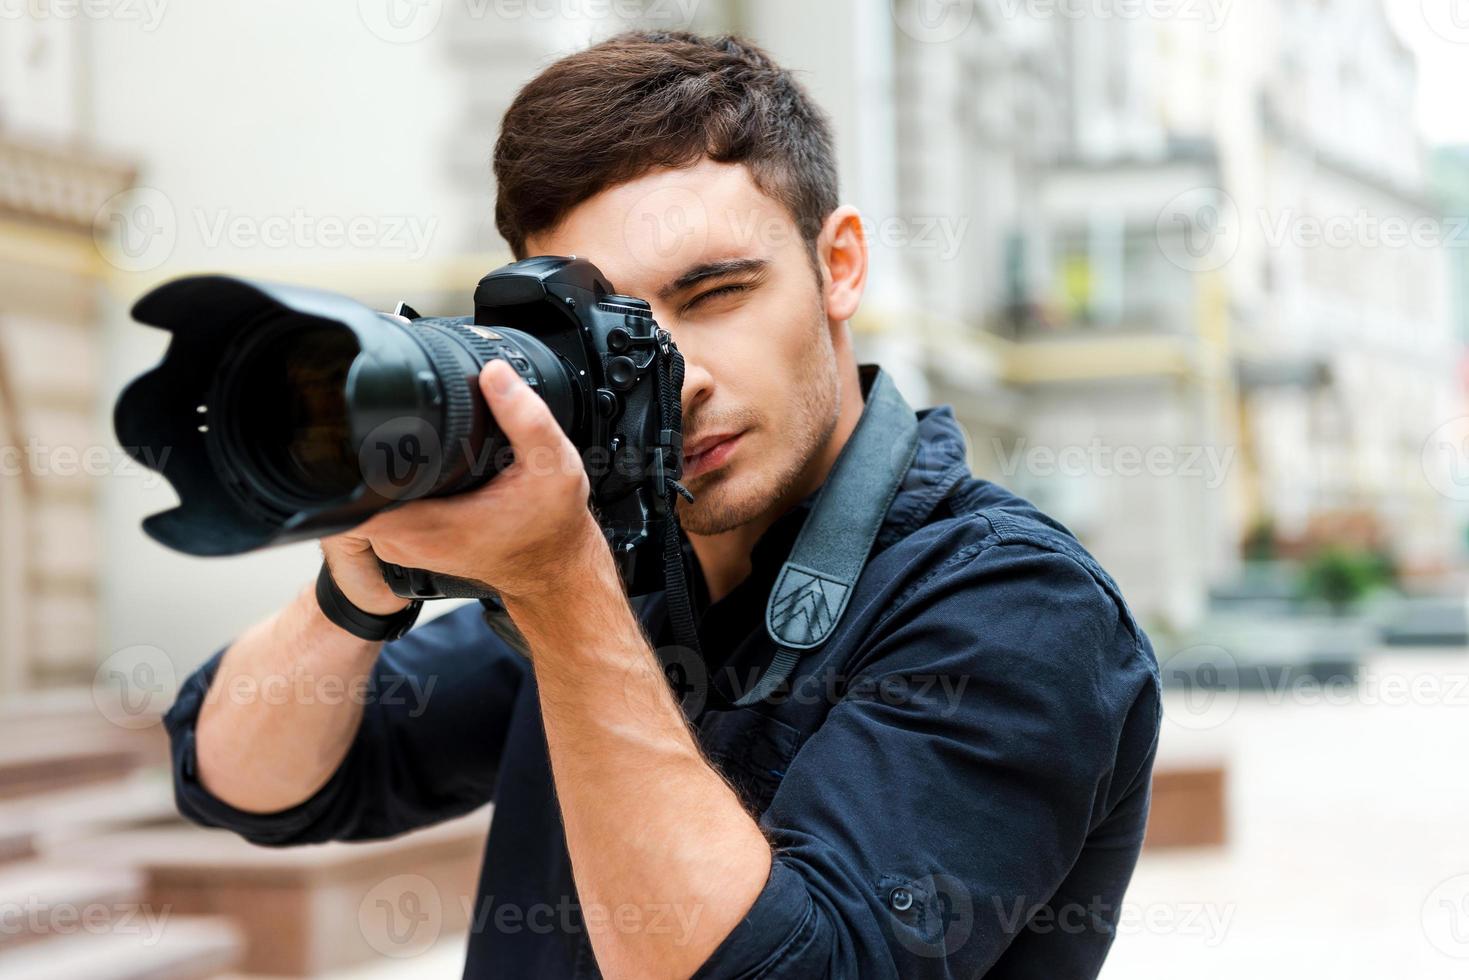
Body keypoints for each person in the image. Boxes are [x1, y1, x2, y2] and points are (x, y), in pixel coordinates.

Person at [163, 30, 1161, 979]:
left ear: (839, 264)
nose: (674, 375)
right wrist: (354, 589)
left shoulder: (1013, 604)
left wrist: (562, 590)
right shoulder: (630, 564)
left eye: (715, 293)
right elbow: (248, 778)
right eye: (615, 331)